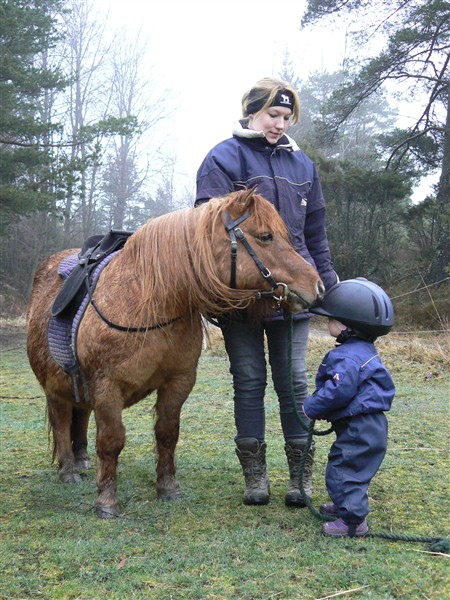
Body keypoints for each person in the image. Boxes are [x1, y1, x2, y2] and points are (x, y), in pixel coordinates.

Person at [195, 77, 338, 506]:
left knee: (293, 383)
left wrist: (328, 290)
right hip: (241, 300)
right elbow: (212, 233)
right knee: (250, 381)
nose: (280, 123)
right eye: (272, 114)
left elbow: (316, 235)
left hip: (292, 297)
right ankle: (255, 478)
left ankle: (300, 479)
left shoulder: (303, 166)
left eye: (286, 116)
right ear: (252, 112)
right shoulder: (223, 158)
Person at [304, 278, 396, 537]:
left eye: (330, 319)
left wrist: (311, 407)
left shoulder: (346, 357)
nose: (327, 323)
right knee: (351, 467)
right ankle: (345, 505)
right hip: (367, 425)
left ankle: (354, 522)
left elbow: (338, 391)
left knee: (345, 468)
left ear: (347, 324)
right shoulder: (362, 350)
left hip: (359, 427)